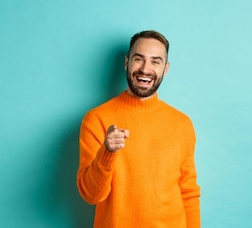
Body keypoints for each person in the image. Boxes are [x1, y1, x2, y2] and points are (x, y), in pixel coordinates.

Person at [76, 30, 201, 227]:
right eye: (138, 59)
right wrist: (107, 152)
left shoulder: (182, 124)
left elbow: (189, 192)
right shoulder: (97, 119)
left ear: (165, 69)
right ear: (127, 62)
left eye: (155, 61)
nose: (145, 69)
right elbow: (92, 196)